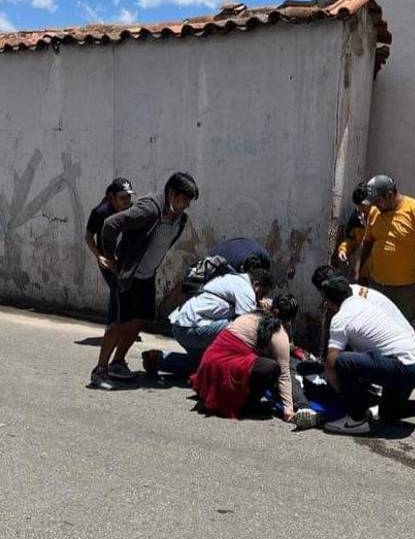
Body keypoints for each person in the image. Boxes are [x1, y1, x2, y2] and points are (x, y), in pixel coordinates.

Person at [296, 274, 415, 435]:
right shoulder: (366, 303)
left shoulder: (341, 319)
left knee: (342, 361)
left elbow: (331, 364)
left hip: (401, 366)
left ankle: (355, 419)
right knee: (388, 411)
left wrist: (343, 395)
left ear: (329, 302)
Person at [89, 172, 198, 390]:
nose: (186, 205)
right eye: (183, 199)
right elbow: (110, 225)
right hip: (128, 275)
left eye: (189, 201)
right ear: (171, 193)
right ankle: (99, 370)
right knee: (119, 323)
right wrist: (111, 258)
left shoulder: (180, 220)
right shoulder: (150, 209)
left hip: (147, 276)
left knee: (138, 322)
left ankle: (118, 363)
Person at [190, 293, 313, 421]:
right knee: (272, 368)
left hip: (209, 362)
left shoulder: (251, 314)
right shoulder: (279, 333)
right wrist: (288, 408)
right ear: (290, 318)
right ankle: (248, 402)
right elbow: (284, 373)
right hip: (226, 367)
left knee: (259, 361)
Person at [141, 268, 275, 376]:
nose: (261, 298)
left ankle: (157, 359)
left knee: (203, 364)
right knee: (239, 326)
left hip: (183, 326)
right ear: (256, 284)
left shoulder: (234, 279)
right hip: (191, 327)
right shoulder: (245, 288)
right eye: (262, 293)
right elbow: (249, 321)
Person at [354, 174, 415, 330]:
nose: (375, 205)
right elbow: (367, 242)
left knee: (398, 329)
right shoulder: (376, 213)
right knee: (376, 328)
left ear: (389, 195)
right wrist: (359, 271)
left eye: (377, 201)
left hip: (405, 289)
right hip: (378, 284)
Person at [85, 177, 135, 325]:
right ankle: (112, 327)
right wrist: (98, 256)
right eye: (122, 197)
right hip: (107, 259)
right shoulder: (100, 212)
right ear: (112, 198)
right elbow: (88, 237)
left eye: (129, 196)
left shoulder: (133, 210)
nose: (126, 201)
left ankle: (124, 326)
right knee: (116, 288)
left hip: (125, 258)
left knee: (128, 290)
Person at [335, 186, 379, 275]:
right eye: (359, 205)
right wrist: (343, 250)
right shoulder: (357, 217)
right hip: (363, 273)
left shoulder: (382, 217)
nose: (362, 209)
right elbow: (351, 239)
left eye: (364, 205)